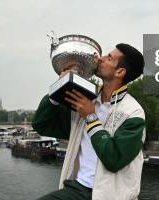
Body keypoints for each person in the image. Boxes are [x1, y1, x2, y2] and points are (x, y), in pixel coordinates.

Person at [33, 43, 145, 200]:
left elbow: (114, 159)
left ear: (120, 71)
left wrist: (91, 117)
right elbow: (41, 125)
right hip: (78, 190)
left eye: (109, 58)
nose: (100, 58)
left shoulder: (133, 112)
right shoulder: (84, 100)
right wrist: (57, 90)